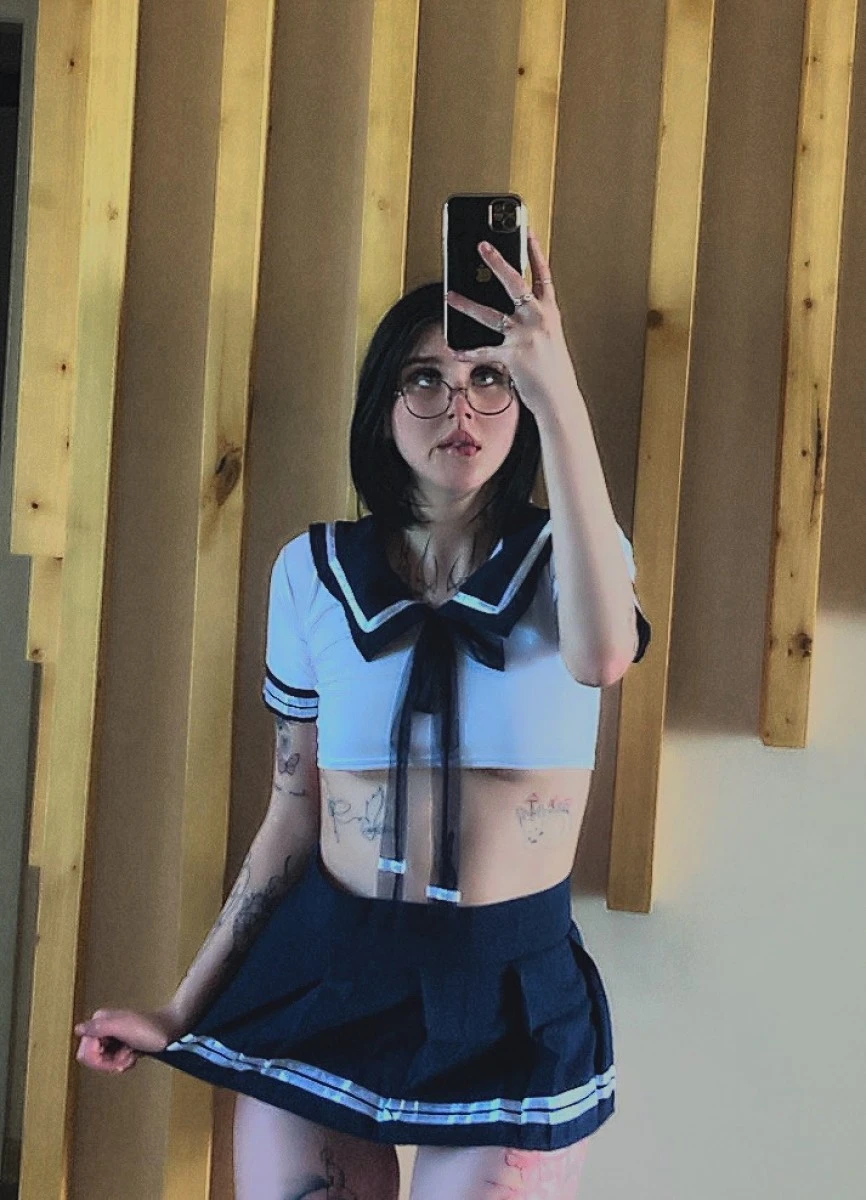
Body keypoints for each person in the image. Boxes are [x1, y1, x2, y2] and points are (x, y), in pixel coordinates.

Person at [76, 231, 651, 1199]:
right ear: (384, 408)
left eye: (489, 378)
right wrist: (180, 1010)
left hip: (508, 996)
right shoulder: (310, 573)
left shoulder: (575, 557)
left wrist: (557, 389)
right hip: (326, 977)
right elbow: (291, 816)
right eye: (426, 379)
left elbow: (602, 658)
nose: (459, 406)